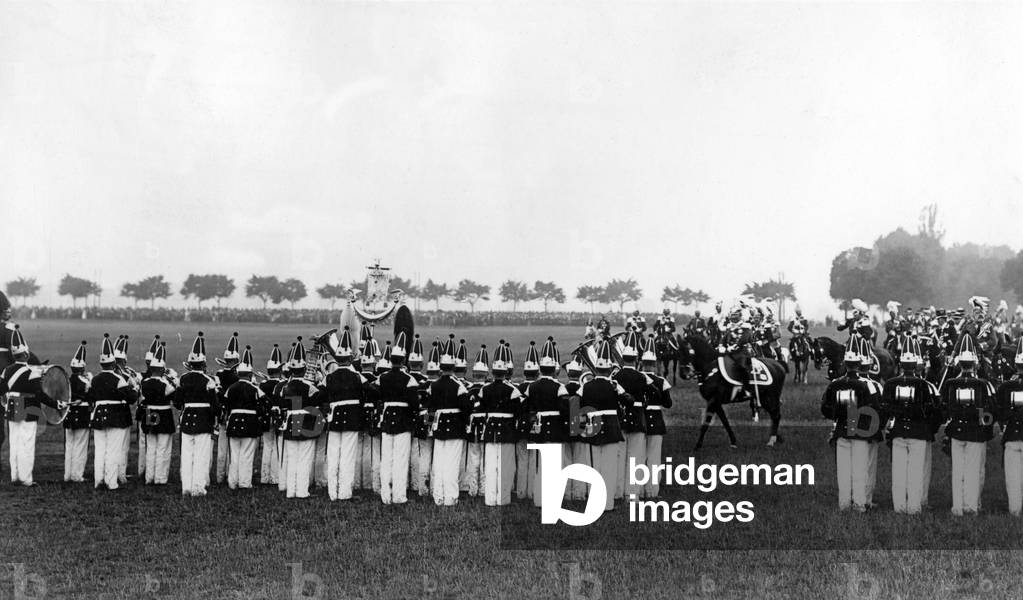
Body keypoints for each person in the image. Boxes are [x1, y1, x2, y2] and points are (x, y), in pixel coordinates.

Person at [820, 338, 884, 511]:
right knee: (861, 469)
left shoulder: (835, 384)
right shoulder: (870, 386)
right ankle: (861, 503)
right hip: (862, 433)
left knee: (843, 471)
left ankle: (844, 503)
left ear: (845, 363)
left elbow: (825, 408)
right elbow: (876, 409)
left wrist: (838, 416)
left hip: (841, 430)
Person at [880, 338, 941, 514]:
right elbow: (934, 412)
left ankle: (898, 506)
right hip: (920, 432)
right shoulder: (925, 385)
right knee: (916, 472)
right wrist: (930, 429)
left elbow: (885, 409)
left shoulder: (891, 384)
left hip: (898, 431)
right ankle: (914, 507)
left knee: (898, 472)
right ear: (916, 363)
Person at [941, 334, 995, 516]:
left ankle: (957, 506)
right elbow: (990, 411)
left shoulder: (950, 384)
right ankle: (971, 506)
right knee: (973, 470)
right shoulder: (983, 384)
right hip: (976, 433)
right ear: (975, 362)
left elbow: (946, 409)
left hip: (956, 431)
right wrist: (985, 427)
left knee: (958, 471)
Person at [0, 326, 58, 486]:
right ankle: (25, 479)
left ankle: (15, 476)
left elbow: (1, 390)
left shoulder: (6, 371)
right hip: (28, 408)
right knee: (26, 443)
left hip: (12, 408)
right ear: (26, 354)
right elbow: (40, 395)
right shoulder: (33, 373)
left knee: (15, 442)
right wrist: (56, 404)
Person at [581, 339, 627, 512]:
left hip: (593, 426)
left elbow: (576, 404)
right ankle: (607, 504)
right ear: (609, 368)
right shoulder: (614, 385)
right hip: (612, 427)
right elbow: (627, 401)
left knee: (594, 467)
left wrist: (581, 429)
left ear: (596, 368)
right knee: (609, 467)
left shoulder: (586, 385)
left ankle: (594, 501)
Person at [89, 334, 139, 490]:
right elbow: (131, 398)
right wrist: (135, 388)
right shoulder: (119, 379)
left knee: (100, 450)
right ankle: (111, 482)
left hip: (98, 415)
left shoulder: (95, 379)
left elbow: (90, 397)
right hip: (116, 416)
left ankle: (99, 480)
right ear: (113, 364)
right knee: (113, 450)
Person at [320, 327, 365, 501]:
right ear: (350, 358)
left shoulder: (329, 377)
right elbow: (368, 389)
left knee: (333, 456)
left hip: (334, 418)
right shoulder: (356, 376)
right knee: (347, 456)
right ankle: (345, 493)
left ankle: (333, 493)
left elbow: (320, 394)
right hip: (352, 419)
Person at [525, 337, 570, 508]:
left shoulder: (532, 386)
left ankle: (539, 499)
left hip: (539, 429)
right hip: (555, 429)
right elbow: (566, 411)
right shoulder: (560, 387)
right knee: (554, 466)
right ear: (554, 369)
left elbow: (527, 408)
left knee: (540, 465)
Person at [376, 332, 420, 505]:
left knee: (386, 459)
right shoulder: (409, 379)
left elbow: (377, 394)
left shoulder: (382, 378)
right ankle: (399, 496)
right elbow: (414, 404)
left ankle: (385, 495)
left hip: (387, 419)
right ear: (403, 361)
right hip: (403, 421)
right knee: (400, 460)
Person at [174, 332, 219, 496]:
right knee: (201, 455)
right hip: (203, 420)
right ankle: (198, 487)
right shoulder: (209, 381)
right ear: (203, 363)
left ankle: (186, 486)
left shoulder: (182, 379)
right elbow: (215, 406)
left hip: (187, 419)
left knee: (187, 455)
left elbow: (177, 403)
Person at [279, 338, 324, 499]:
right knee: (304, 458)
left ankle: (291, 491)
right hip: (305, 423)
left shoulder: (285, 388)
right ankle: (302, 491)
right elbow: (318, 399)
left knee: (292, 458)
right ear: (305, 369)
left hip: (291, 423)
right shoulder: (309, 387)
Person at [428, 335, 470, 506]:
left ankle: (438, 496)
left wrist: (431, 425)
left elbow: (430, 408)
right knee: (451, 464)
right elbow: (467, 407)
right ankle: (451, 497)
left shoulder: (434, 385)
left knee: (439, 462)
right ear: (453, 366)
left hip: (439, 425)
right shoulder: (459, 385)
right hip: (455, 426)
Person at [477, 343, 521, 506]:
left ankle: (490, 499)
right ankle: (503, 499)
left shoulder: (485, 389)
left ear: (492, 372)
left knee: (490, 466)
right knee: (505, 466)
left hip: (490, 429)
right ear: (506, 372)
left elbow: (481, 408)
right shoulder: (513, 390)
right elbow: (518, 412)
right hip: (507, 430)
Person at [612, 331, 650, 499]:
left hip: (620, 418)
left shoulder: (616, 376)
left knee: (619, 456)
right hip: (637, 417)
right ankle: (632, 493)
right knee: (635, 457)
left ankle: (617, 492)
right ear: (636, 359)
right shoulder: (642, 377)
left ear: (623, 357)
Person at [223, 346, 266, 490]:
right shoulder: (255, 389)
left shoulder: (231, 388)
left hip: (233, 422)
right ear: (249, 374)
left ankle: (233, 482)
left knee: (234, 455)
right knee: (247, 454)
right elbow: (265, 404)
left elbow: (225, 405)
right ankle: (245, 483)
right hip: (250, 423)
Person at [139, 342, 177, 485]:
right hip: (164, 414)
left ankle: (149, 477)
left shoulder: (145, 382)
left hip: (150, 413)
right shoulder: (165, 383)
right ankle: (160, 478)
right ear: (162, 369)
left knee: (152, 446)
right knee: (163, 447)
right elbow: (172, 394)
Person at [641, 336, 672, 498]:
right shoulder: (661, 381)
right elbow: (668, 404)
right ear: (654, 364)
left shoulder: (638, 379)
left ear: (642, 362)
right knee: (654, 457)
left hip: (640, 419)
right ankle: (652, 491)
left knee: (638, 456)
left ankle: (637, 489)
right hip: (657, 420)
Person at [996, 337, 1023, 516]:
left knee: (1013, 478)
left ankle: (1015, 509)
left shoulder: (1006, 387)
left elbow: (998, 413)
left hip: (1012, 435)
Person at [214, 332, 241, 485]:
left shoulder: (218, 374)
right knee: (232, 447)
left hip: (222, 411)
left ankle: (219, 476)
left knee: (222, 447)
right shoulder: (238, 376)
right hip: (233, 412)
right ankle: (231, 475)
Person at [64, 341, 93, 483]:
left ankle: (68, 474)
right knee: (80, 445)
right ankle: (77, 475)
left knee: (69, 445)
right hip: (82, 414)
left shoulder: (67, 381)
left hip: (69, 414)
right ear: (83, 367)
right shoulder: (86, 381)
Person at [408, 335, 433, 497]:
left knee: (408, 452)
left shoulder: (407, 379)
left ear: (409, 363)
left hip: (406, 418)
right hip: (423, 419)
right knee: (422, 452)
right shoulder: (426, 381)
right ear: (422, 364)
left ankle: (410, 483)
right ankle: (419, 485)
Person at [463, 345, 489, 497]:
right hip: (485, 426)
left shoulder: (468, 389)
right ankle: (484, 489)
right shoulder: (488, 389)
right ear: (486, 374)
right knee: (485, 458)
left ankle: (472, 489)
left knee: (473, 457)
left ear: (473, 374)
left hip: (472, 427)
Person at [516, 342, 541, 500]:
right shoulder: (538, 386)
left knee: (522, 459)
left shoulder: (517, 388)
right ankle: (532, 491)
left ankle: (520, 491)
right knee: (534, 460)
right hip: (537, 426)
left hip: (521, 427)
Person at [258, 344, 285, 485]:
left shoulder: (262, 384)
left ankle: (264, 476)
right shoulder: (281, 384)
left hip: (265, 418)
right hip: (277, 418)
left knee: (267, 447)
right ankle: (275, 477)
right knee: (276, 447)